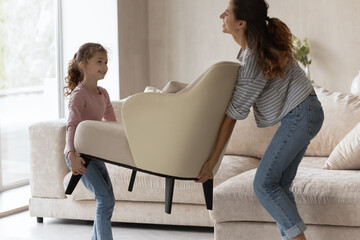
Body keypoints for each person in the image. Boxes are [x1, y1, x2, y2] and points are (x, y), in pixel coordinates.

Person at [196, 1, 324, 240]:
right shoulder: (252, 50)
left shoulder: (252, 57)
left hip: (301, 114)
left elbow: (234, 114)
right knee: (278, 187)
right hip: (306, 112)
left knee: (263, 184)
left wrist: (212, 161)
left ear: (241, 23)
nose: (221, 15)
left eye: (227, 12)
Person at [64, 43, 117, 240]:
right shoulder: (79, 95)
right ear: (84, 65)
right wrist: (72, 155)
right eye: (99, 62)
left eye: (106, 62)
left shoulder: (103, 94)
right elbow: (72, 126)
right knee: (105, 200)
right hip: (78, 155)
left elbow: (113, 125)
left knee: (107, 200)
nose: (104, 66)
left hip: (95, 154)